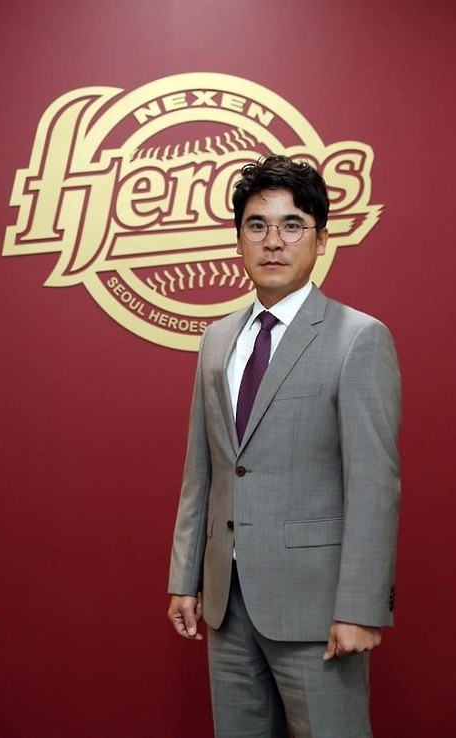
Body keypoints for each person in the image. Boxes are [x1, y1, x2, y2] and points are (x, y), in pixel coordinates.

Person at [167, 155, 401, 738]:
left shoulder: (358, 338)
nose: (273, 241)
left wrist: (360, 607)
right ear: (238, 241)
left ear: (321, 239)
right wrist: (185, 578)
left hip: (317, 608)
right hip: (226, 602)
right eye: (257, 225)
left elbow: (374, 485)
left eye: (292, 225)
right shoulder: (217, 339)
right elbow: (204, 472)